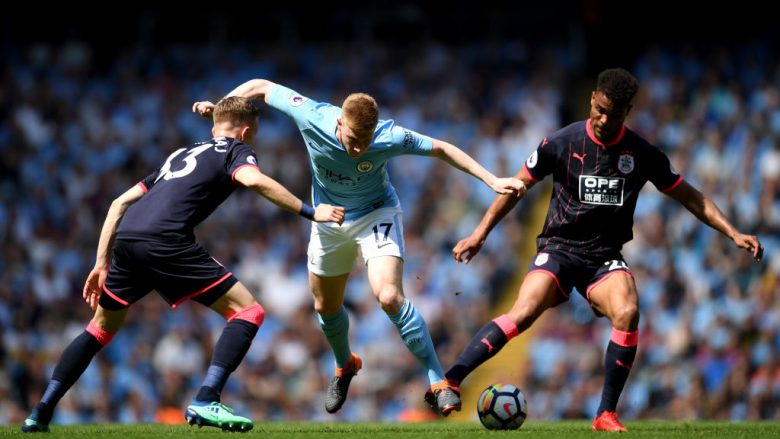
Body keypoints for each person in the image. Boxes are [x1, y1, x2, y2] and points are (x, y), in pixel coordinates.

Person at [441, 68, 764, 432]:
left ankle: (605, 414)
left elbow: (690, 196)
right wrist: (479, 234)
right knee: (525, 311)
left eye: (614, 113)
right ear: (593, 98)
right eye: (600, 110)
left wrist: (733, 232)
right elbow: (515, 187)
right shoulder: (561, 142)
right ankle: (450, 380)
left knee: (627, 312)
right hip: (559, 248)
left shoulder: (642, 153)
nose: (604, 119)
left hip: (603, 257)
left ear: (628, 110)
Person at [193, 81, 524, 416]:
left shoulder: (388, 136)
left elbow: (441, 148)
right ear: (340, 123)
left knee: (389, 296)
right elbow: (263, 86)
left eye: (365, 142)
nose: (357, 149)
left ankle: (438, 381)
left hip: (376, 213)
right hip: (328, 219)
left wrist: (492, 180)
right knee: (325, 306)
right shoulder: (312, 115)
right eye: (353, 140)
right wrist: (221, 106)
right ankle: (344, 366)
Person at [21, 97, 345, 433]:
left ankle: (40, 412)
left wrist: (101, 262)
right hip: (165, 239)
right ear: (247, 130)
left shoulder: (179, 154)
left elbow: (119, 203)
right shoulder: (236, 150)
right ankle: (207, 398)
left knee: (99, 328)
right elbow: (253, 180)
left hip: (128, 238)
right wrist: (310, 211)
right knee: (248, 312)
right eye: (255, 133)